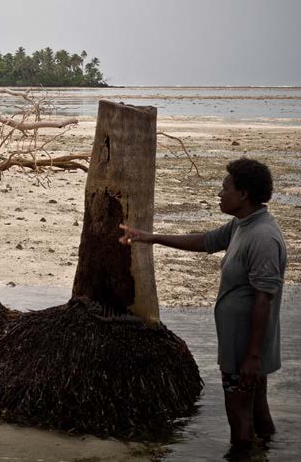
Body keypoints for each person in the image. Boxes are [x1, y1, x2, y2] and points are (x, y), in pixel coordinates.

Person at [119, 158, 287, 453]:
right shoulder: (242, 223)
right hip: (245, 346)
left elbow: (264, 299)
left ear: (244, 194)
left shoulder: (262, 236)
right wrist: (152, 238)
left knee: (239, 415)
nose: (219, 194)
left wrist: (252, 357)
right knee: (257, 409)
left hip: (246, 347)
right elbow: (207, 241)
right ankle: (272, 451)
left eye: (225, 188)